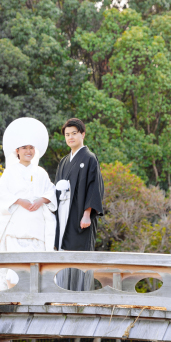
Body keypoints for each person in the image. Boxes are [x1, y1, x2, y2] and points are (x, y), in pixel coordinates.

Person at [0, 117, 57, 290]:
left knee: (36, 260)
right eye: (24, 148)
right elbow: (1, 194)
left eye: (31, 147)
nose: (28, 151)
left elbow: (51, 191)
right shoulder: (10, 172)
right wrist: (19, 201)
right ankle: (15, 293)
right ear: (17, 151)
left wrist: (41, 200)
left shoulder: (41, 172)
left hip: (37, 225)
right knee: (16, 261)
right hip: (17, 225)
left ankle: (37, 294)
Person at [54, 118, 104, 291]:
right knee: (63, 250)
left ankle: (80, 295)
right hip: (63, 212)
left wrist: (87, 214)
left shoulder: (89, 158)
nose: (70, 137)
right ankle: (63, 292)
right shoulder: (64, 161)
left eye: (74, 133)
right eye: (67, 135)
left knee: (79, 252)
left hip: (81, 215)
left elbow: (94, 187)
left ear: (82, 134)